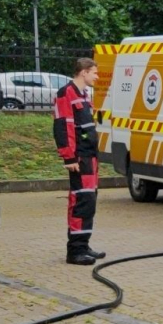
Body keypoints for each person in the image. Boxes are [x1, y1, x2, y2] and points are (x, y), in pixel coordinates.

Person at [53, 57, 103, 265]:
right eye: (94, 73)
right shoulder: (66, 93)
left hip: (89, 158)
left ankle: (83, 244)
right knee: (80, 202)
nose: (97, 77)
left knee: (89, 202)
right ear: (83, 72)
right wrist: (69, 156)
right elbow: (62, 126)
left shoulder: (83, 95)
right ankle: (75, 251)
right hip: (79, 158)